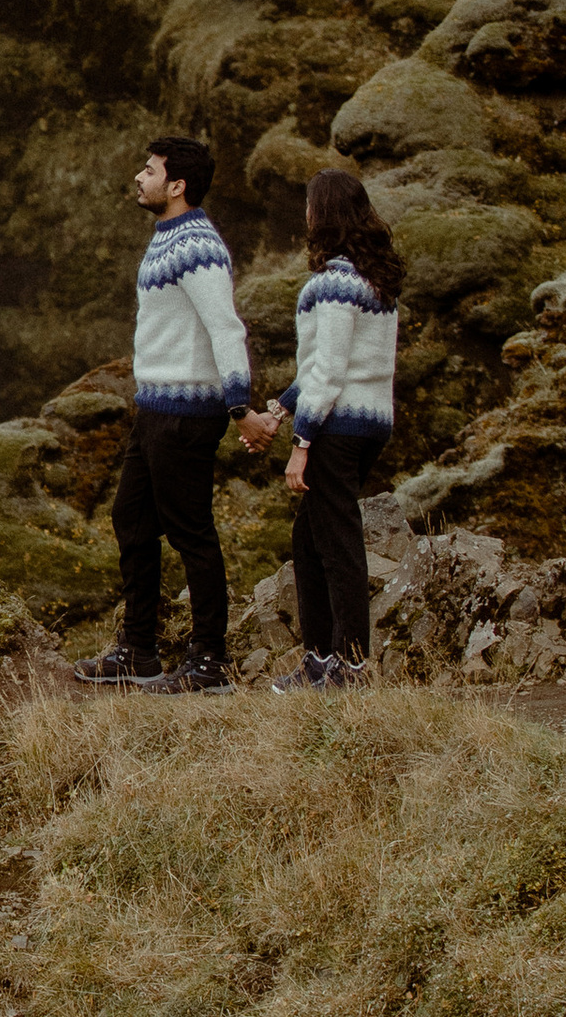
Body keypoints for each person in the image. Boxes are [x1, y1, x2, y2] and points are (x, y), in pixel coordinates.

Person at [78, 133, 254, 694]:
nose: (139, 176)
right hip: (155, 408)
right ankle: (140, 651)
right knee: (131, 518)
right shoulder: (167, 238)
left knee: (191, 532)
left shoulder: (197, 245)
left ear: (176, 185)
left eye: (149, 169)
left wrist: (240, 405)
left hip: (186, 412)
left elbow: (226, 326)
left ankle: (210, 660)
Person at [240, 163, 402, 686]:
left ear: (323, 212)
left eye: (310, 205)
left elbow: (328, 373)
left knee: (337, 546)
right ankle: (321, 661)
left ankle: (349, 665)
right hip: (370, 422)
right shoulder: (374, 280)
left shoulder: (333, 283)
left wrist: (301, 442)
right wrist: (279, 409)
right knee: (311, 541)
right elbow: (321, 369)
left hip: (337, 427)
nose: (305, 214)